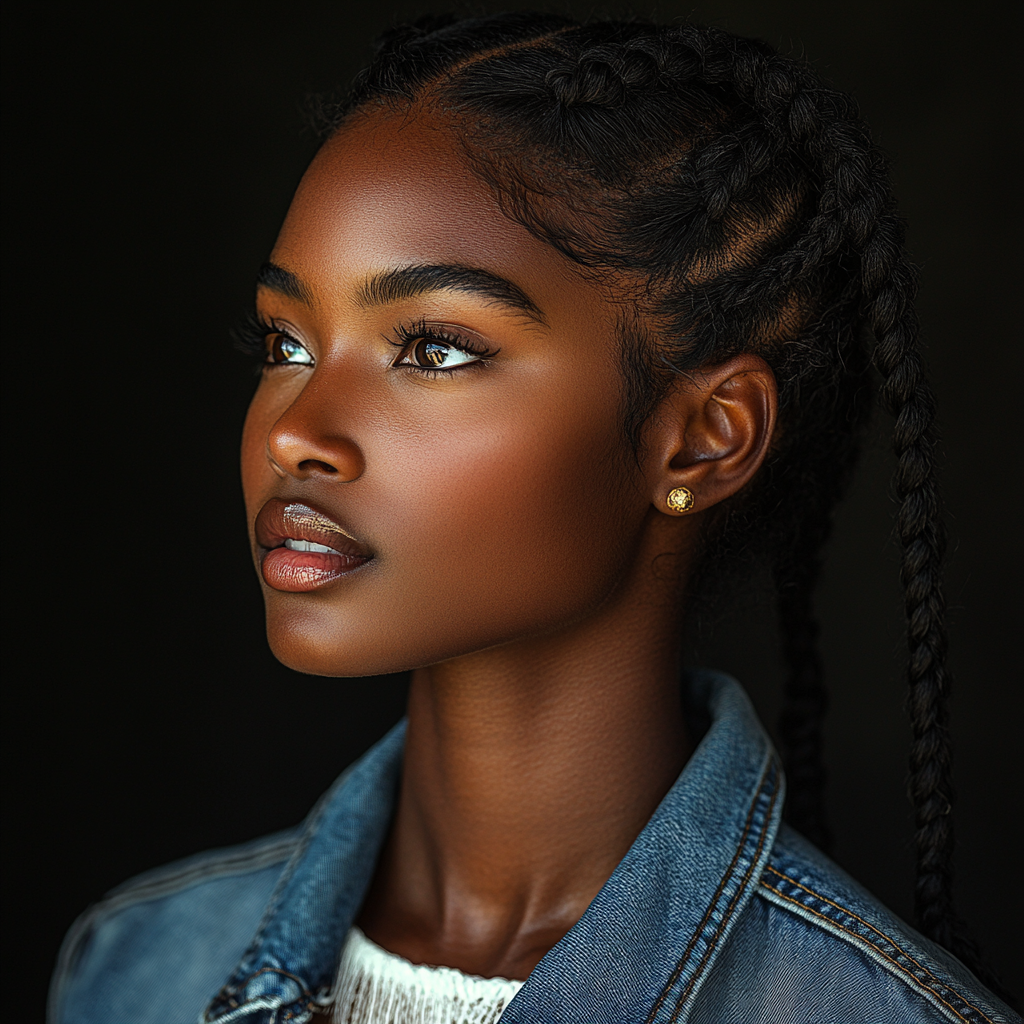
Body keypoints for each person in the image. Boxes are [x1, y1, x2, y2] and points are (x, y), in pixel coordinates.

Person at [47, 11, 1019, 1024]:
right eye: (286, 342)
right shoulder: (136, 966)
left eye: (431, 349)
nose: (297, 435)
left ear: (703, 438)